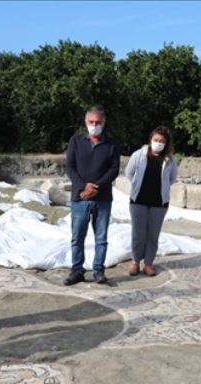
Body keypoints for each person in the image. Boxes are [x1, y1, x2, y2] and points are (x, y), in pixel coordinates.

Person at [64, 105, 121, 285]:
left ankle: (98, 269)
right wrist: (83, 186)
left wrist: (96, 187)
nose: (94, 125)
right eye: (91, 122)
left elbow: (114, 170)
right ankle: (77, 269)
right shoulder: (76, 141)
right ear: (85, 122)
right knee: (77, 237)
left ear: (104, 123)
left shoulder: (112, 144)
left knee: (101, 237)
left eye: (98, 122)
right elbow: (69, 167)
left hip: (102, 198)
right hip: (79, 197)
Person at [124, 126, 178, 276]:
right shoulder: (138, 155)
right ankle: (135, 261)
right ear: (150, 139)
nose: (158, 143)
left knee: (153, 234)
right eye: (156, 140)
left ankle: (148, 263)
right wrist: (136, 185)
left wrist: (163, 188)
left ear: (166, 143)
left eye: (162, 141)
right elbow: (129, 172)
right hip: (138, 200)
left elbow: (172, 178)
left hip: (159, 203)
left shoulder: (170, 159)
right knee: (138, 233)